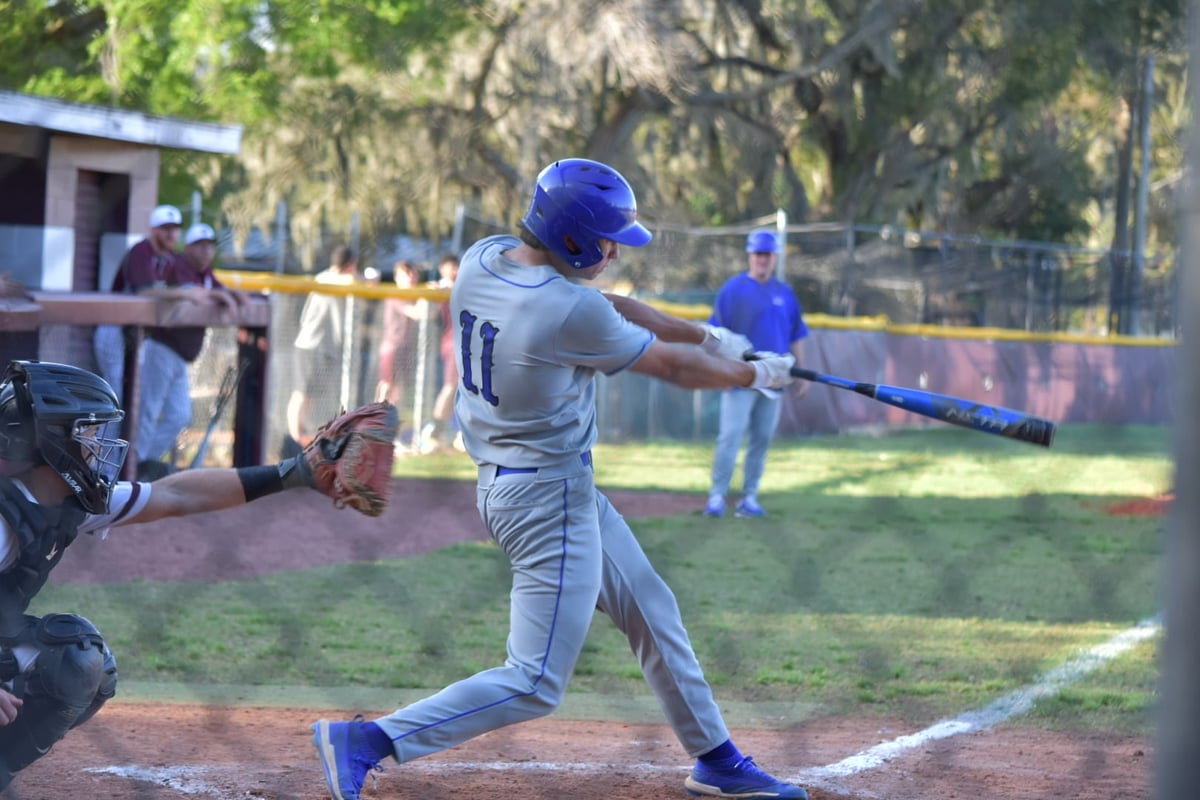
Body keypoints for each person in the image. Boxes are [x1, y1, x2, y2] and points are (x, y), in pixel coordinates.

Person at [310, 158, 807, 800]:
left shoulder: (488, 257)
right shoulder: (564, 310)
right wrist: (755, 375)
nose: (612, 253)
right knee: (536, 679)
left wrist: (713, 337)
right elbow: (670, 369)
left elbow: (613, 306)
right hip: (547, 500)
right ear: (573, 238)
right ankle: (369, 740)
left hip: (531, 483)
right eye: (606, 241)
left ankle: (716, 758)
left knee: (652, 609)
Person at [0, 359, 377, 790]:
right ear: (52, 440)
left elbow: (175, 494)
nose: (97, 444)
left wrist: (294, 473)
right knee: (71, 659)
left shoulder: (57, 501)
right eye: (87, 432)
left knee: (92, 665)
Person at [704, 229, 809, 518]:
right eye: (758, 254)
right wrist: (719, 373)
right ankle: (717, 497)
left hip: (774, 379)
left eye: (767, 254)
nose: (762, 259)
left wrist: (800, 373)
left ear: (774, 258)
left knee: (761, 439)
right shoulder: (733, 289)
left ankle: (749, 498)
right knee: (730, 437)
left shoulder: (784, 293)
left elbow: (796, 335)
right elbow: (716, 335)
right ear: (750, 256)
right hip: (739, 376)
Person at [131, 223, 246, 480]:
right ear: (189, 248)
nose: (206, 251)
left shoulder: (205, 272)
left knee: (179, 416)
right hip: (160, 348)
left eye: (210, 246)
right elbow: (191, 293)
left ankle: (141, 464)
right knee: (147, 412)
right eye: (201, 246)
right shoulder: (178, 265)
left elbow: (217, 289)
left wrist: (231, 294)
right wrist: (218, 294)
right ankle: (130, 470)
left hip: (179, 357)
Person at [94, 204, 183, 405]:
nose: (171, 234)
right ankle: (102, 436)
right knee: (114, 389)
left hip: (138, 333)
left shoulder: (172, 259)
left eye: (175, 229)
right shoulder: (141, 250)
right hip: (114, 326)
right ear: (153, 230)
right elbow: (144, 290)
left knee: (133, 393)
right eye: (166, 229)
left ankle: (124, 437)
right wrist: (182, 293)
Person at [286, 245, 362, 451]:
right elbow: (352, 280)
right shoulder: (328, 278)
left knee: (309, 395)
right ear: (349, 265)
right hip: (309, 345)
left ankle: (300, 436)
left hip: (324, 348)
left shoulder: (335, 278)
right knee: (300, 393)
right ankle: (294, 438)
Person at [419, 252, 462, 452]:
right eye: (450, 266)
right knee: (451, 385)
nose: (454, 270)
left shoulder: (463, 284)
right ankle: (436, 429)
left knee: (462, 388)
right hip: (453, 342)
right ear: (443, 268)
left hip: (465, 342)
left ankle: (449, 431)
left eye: (456, 266)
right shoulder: (443, 286)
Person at [374, 260, 423, 424]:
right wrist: (426, 296)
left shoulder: (413, 295)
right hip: (392, 347)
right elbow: (416, 313)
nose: (411, 277)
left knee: (397, 390)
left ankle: (390, 427)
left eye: (413, 273)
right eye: (406, 273)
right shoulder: (396, 295)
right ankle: (375, 424)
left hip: (405, 348)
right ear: (396, 277)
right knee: (387, 386)